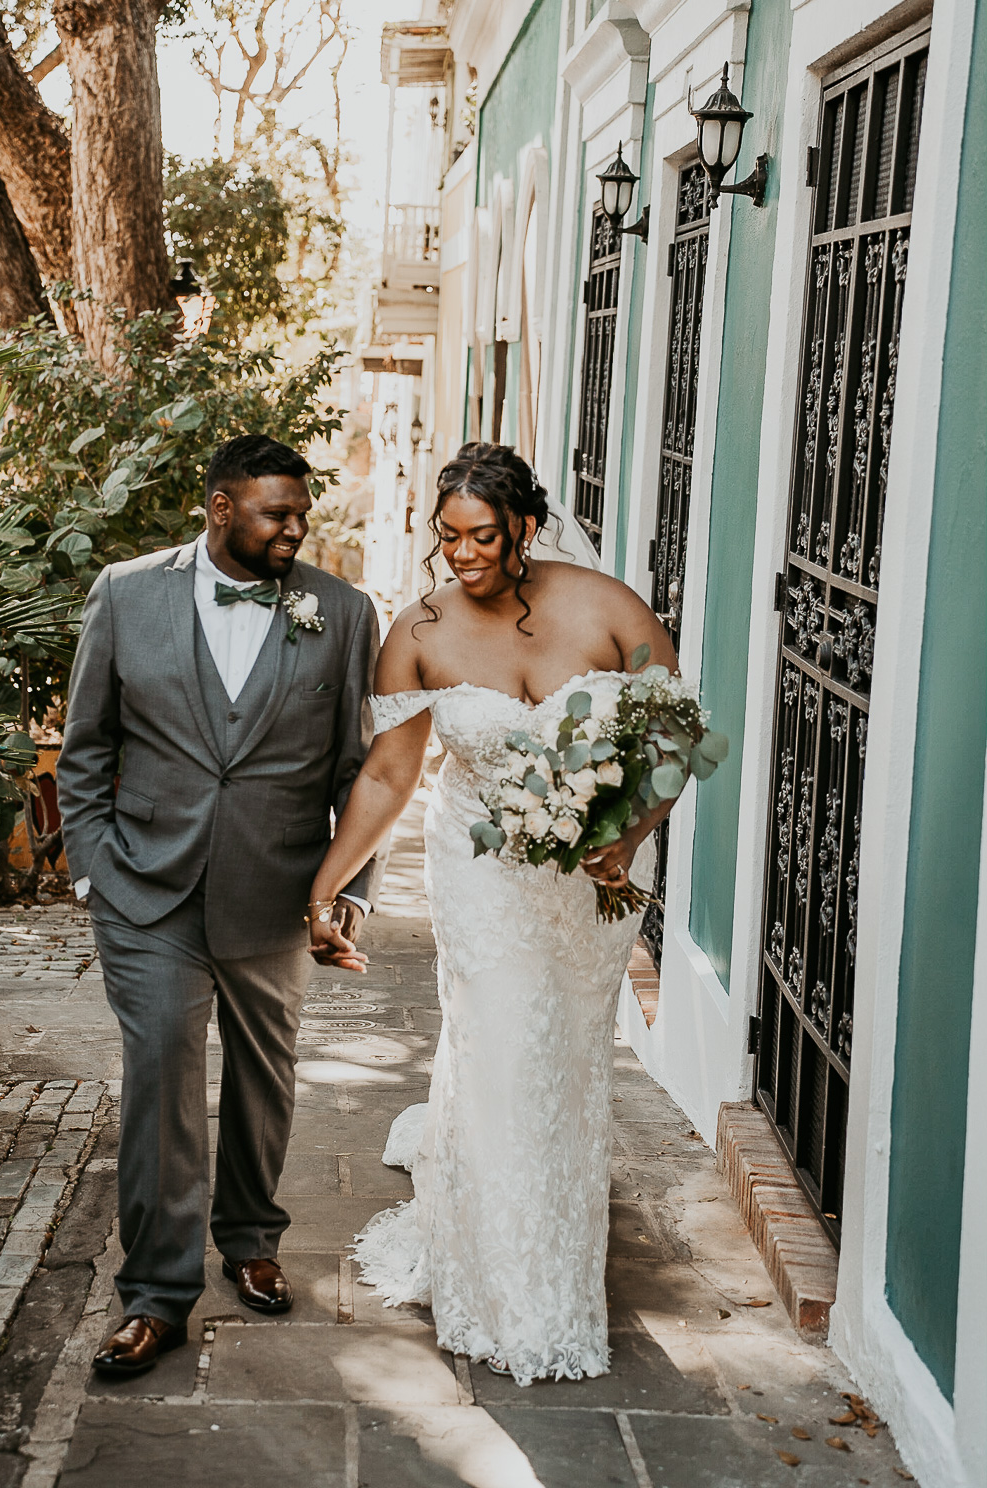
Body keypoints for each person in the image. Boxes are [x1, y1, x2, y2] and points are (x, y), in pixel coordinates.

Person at [306, 441, 679, 1385]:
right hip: (482, 882)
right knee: (506, 1047)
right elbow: (392, 774)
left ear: (525, 529)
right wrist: (329, 883)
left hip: (589, 890)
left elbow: (676, 737)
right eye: (449, 537)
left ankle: (550, 1228)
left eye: (482, 536)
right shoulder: (421, 630)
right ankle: (517, 1296)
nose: (463, 555)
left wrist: (626, 835)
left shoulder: (606, 609)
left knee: (564, 1061)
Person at [57, 434, 381, 1378]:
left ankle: (249, 1236)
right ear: (219, 506)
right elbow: (84, 747)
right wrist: (93, 872)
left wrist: (347, 891)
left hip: (277, 891)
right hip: (145, 890)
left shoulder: (343, 611)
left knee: (262, 1077)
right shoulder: (126, 592)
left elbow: (358, 771)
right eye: (275, 513)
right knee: (160, 1071)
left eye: (301, 513)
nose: (295, 527)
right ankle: (156, 1295)